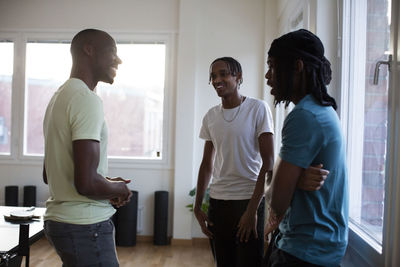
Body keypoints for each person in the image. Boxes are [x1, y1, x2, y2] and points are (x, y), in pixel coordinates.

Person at [194, 57, 328, 267]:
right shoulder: (211, 116)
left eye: (223, 74)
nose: (217, 80)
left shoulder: (258, 109)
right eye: (213, 76)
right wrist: (197, 206)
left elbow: (268, 163)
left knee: (249, 263)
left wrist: (251, 211)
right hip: (218, 202)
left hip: (249, 199)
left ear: (239, 78)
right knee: (223, 262)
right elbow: (206, 165)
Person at [42, 29, 132, 267]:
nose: (119, 59)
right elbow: (86, 183)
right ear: (89, 50)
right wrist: (119, 188)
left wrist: (106, 183)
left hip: (61, 224)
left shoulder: (59, 97)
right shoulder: (86, 99)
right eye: (113, 51)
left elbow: (48, 173)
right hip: (85, 226)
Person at [264, 29, 349, 267]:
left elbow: (277, 201)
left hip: (304, 250)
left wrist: (276, 181)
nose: (267, 75)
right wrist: (293, 181)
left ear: (297, 66)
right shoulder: (321, 109)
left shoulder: (304, 116)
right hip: (320, 245)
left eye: (272, 66)